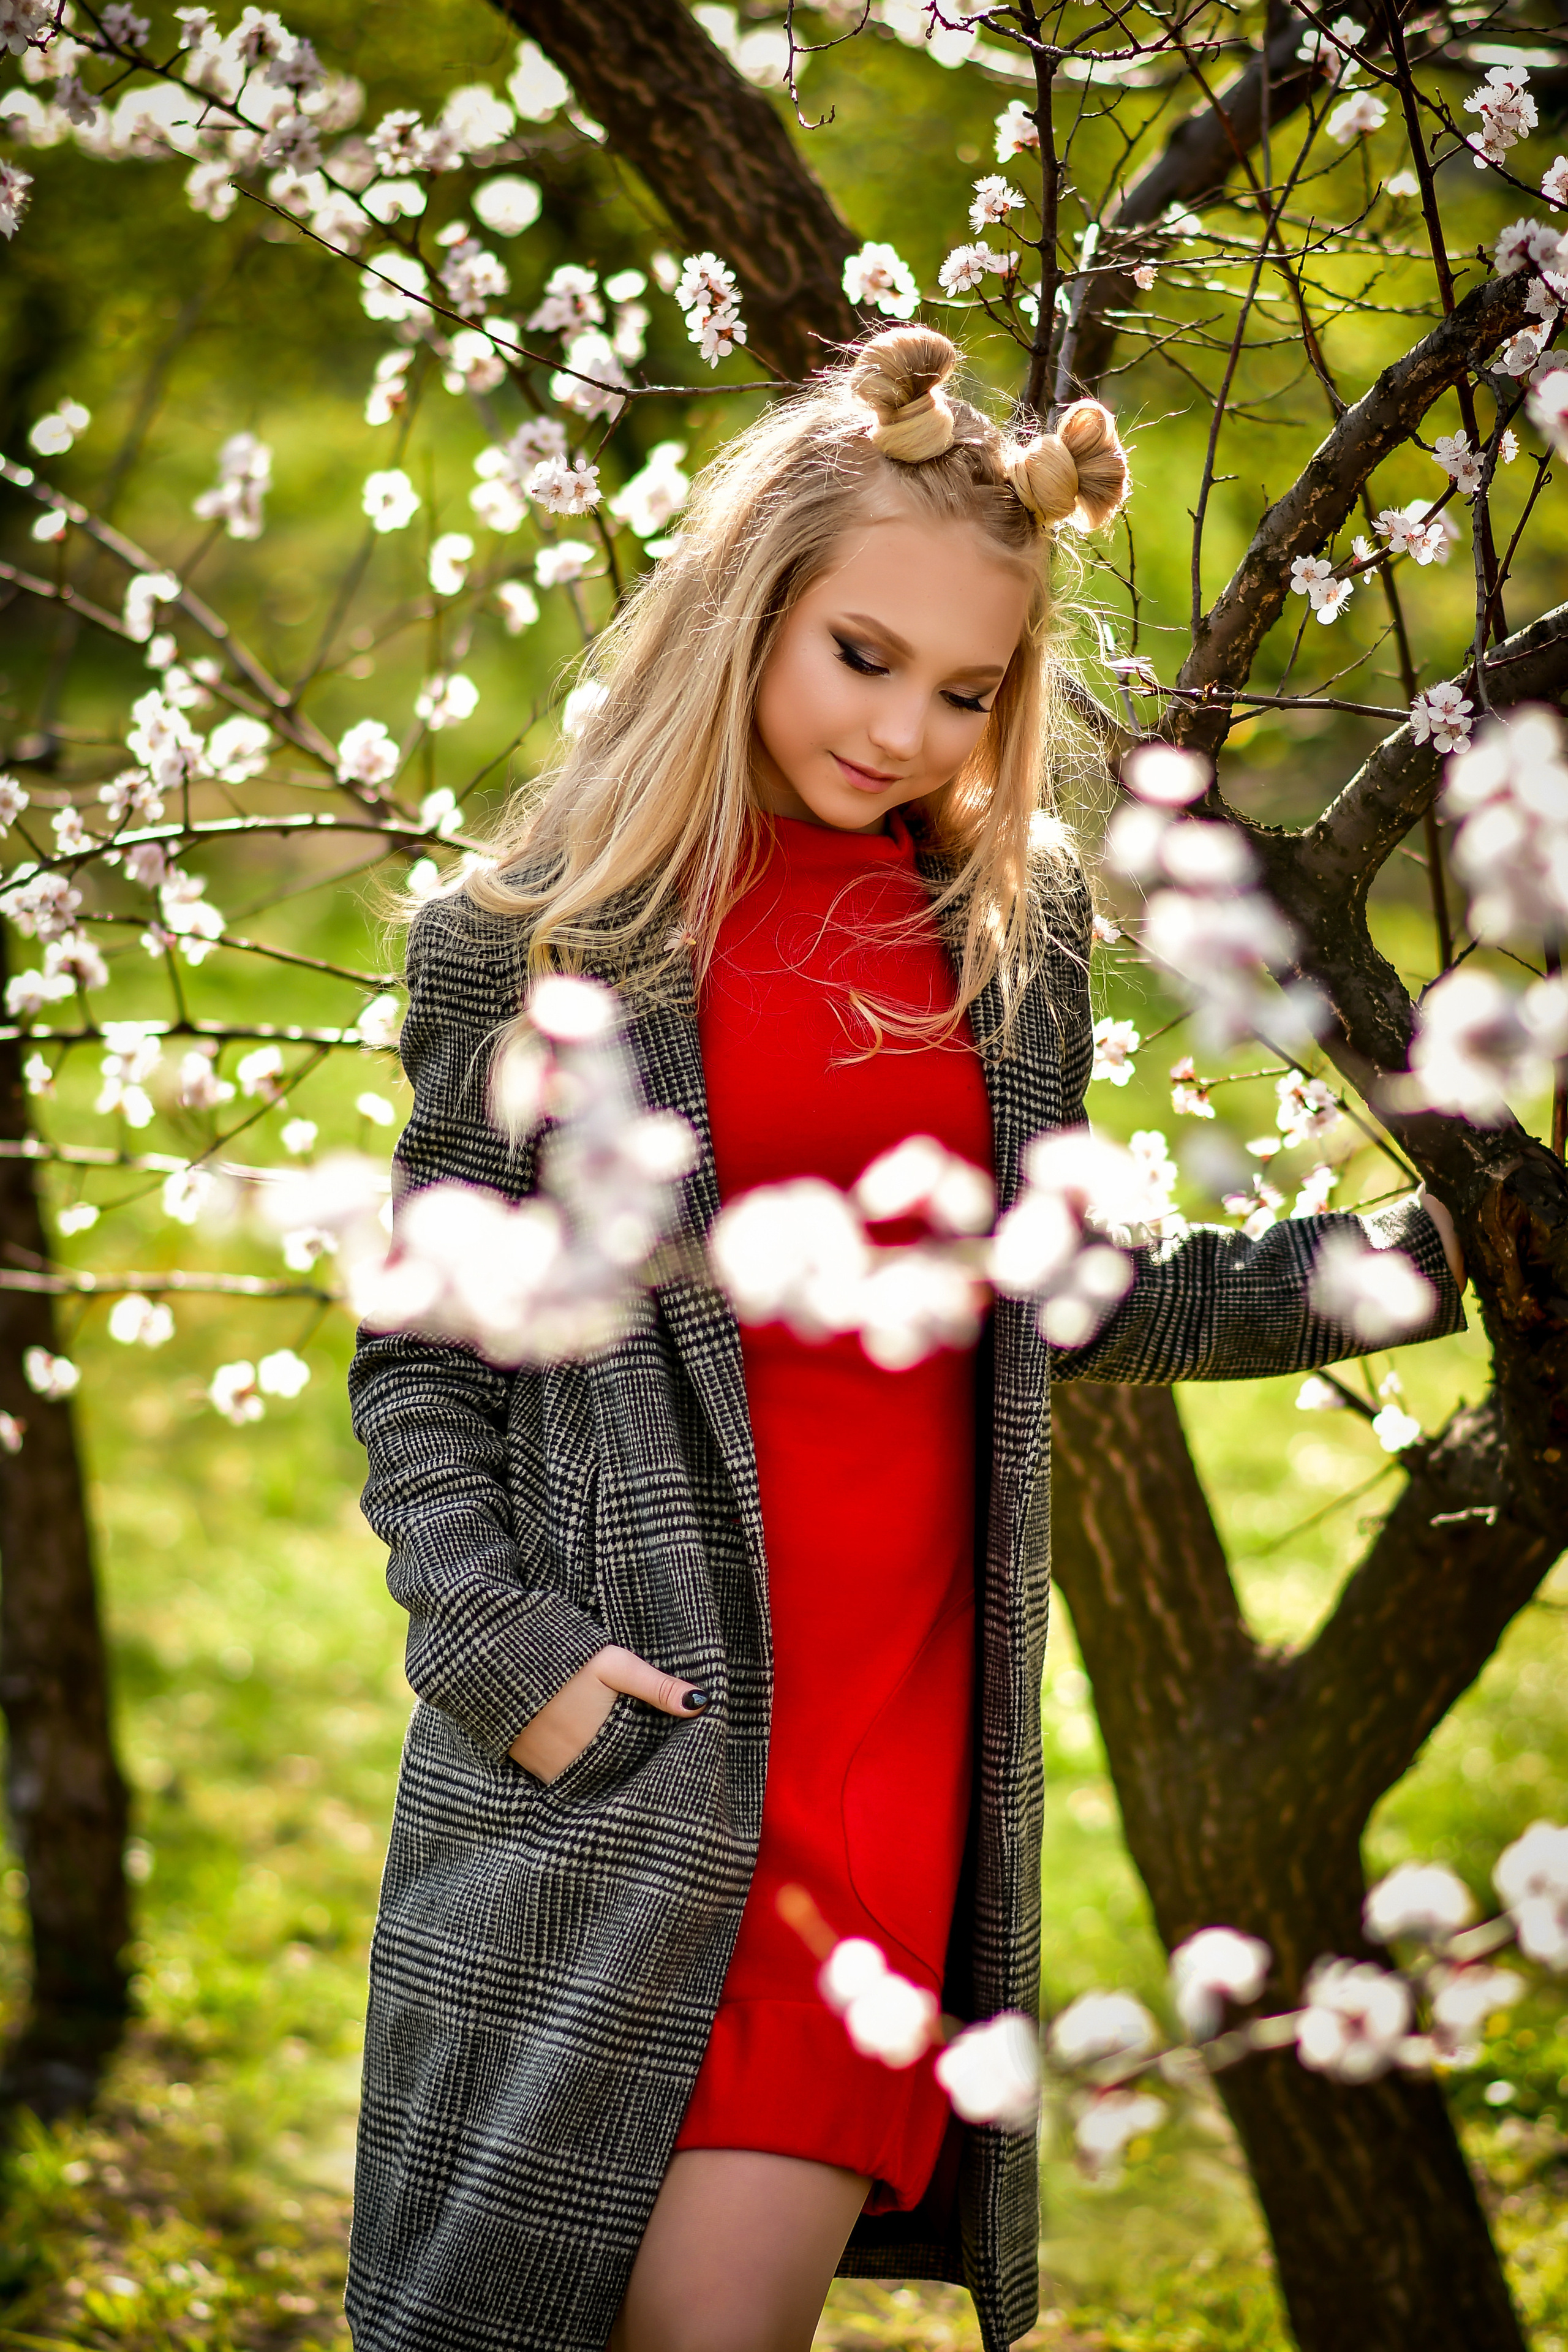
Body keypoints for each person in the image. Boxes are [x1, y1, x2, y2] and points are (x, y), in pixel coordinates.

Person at [346, 326, 1467, 2352]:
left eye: (967, 691)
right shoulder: (539, 936)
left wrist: (1409, 1255)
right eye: (863, 656)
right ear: (747, 607)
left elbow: (1063, 1293)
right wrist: (512, 1665)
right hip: (625, 1761)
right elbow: (427, 1361)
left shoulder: (1002, 947)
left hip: (878, 1777)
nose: (905, 729)